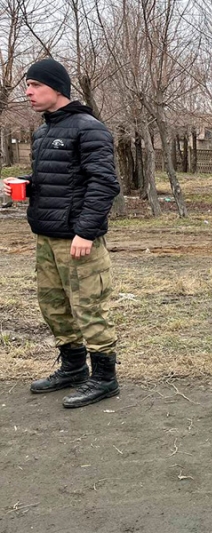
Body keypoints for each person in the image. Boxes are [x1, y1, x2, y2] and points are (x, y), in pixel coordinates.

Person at [1, 58, 121, 408]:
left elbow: (104, 183)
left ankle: (105, 378)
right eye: (28, 85)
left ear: (57, 88)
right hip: (47, 237)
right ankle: (73, 368)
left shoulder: (89, 128)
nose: (28, 92)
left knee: (89, 307)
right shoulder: (43, 132)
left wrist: (85, 232)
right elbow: (59, 179)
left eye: (35, 85)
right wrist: (25, 184)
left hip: (78, 240)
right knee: (54, 307)